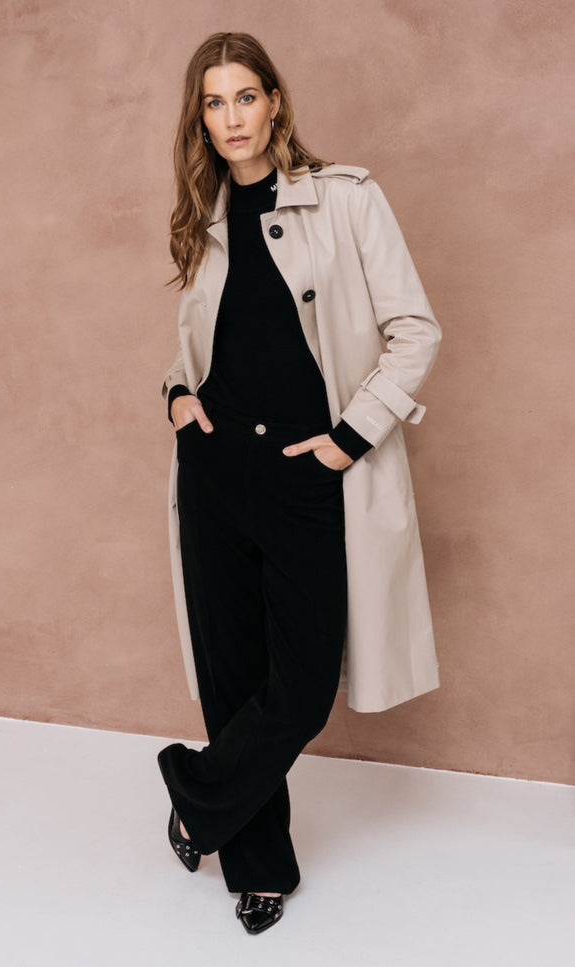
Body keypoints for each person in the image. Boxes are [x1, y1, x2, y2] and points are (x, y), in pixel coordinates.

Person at [157, 31, 441, 934]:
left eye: (245, 96)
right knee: (232, 678)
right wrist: (175, 396)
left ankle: (195, 789)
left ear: (275, 101)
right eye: (213, 102)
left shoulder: (345, 199)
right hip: (214, 474)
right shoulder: (201, 216)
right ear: (200, 118)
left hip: (307, 474)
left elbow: (415, 330)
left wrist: (348, 438)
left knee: (302, 683)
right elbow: (200, 341)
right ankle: (259, 867)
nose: (231, 117)